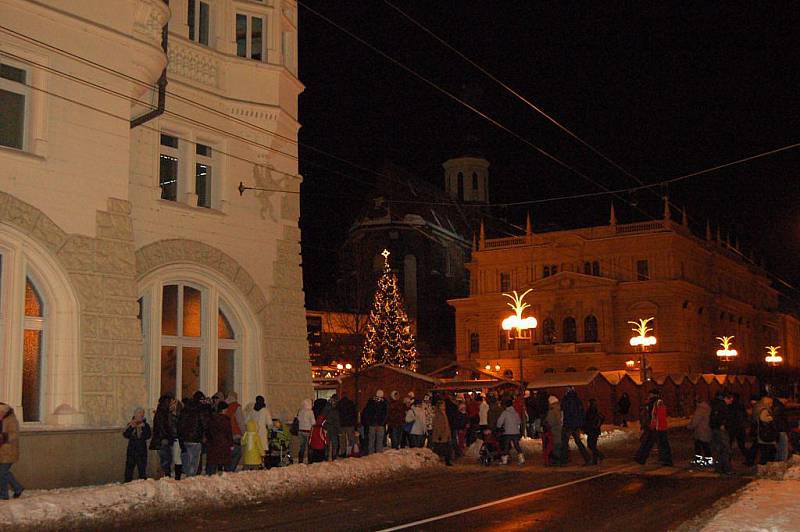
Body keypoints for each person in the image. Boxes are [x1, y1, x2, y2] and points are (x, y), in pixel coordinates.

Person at [634, 390, 673, 466]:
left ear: (653, 395)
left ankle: (666, 460)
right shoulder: (651, 403)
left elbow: (657, 416)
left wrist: (653, 425)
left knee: (658, 443)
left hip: (657, 427)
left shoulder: (657, 402)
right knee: (651, 442)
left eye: (650, 394)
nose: (649, 395)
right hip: (655, 426)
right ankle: (641, 457)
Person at [150, 394, 182, 479]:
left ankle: (166, 477)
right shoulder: (163, 413)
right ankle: (165, 477)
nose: (172, 404)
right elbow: (164, 427)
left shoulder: (162, 412)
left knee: (167, 460)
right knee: (166, 460)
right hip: (163, 440)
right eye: (171, 402)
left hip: (163, 439)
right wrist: (167, 437)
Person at [178, 392, 207, 477]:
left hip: (185, 439)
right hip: (196, 439)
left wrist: (181, 438)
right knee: (194, 462)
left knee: (186, 461)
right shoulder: (200, 410)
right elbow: (204, 424)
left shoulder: (185, 410)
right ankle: (191, 479)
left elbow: (180, 425)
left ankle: (187, 477)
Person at [560, 388, 591, 465]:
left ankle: (564, 460)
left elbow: (563, 411)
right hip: (576, 425)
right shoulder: (577, 401)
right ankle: (587, 458)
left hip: (568, 424)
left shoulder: (566, 401)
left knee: (564, 442)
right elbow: (581, 413)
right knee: (578, 441)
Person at [0, 403, 23, 500]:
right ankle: (18, 488)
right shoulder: (1, 420)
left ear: (4, 412)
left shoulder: (11, 420)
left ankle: (4, 494)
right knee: (4, 472)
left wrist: (2, 437)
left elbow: (14, 435)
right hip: (2, 451)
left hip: (9, 451)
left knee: (2, 472)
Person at [123, 406, 151, 482]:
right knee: (129, 469)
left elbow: (148, 435)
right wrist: (132, 427)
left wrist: (143, 428)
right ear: (135, 415)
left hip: (141, 451)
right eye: (139, 414)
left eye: (142, 414)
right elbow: (125, 435)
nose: (140, 416)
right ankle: (127, 483)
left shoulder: (146, 425)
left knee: (142, 469)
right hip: (132, 450)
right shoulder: (130, 424)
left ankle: (143, 484)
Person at [205, 402, 233, 475]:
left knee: (213, 463)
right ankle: (227, 477)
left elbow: (208, 431)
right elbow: (228, 433)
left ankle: (210, 477)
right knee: (226, 463)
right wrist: (231, 444)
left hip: (213, 443)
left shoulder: (212, 419)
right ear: (224, 409)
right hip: (224, 443)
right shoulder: (226, 420)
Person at [709, 392, 734, 475]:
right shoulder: (722, 406)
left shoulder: (716, 405)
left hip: (716, 430)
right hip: (720, 431)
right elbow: (722, 417)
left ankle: (719, 468)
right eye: (730, 400)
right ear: (726, 398)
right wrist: (722, 424)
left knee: (719, 450)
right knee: (725, 449)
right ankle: (727, 469)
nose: (731, 402)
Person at [497, 398, 525, 465]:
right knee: (516, 445)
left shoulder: (505, 413)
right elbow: (519, 421)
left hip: (507, 432)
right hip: (515, 432)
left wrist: (499, 427)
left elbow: (499, 422)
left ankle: (505, 460)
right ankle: (521, 458)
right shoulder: (515, 413)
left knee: (506, 446)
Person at [687, 399, 712, 468]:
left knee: (699, 446)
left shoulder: (700, 409)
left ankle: (699, 461)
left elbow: (695, 420)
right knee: (706, 446)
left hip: (700, 431)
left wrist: (689, 426)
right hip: (706, 429)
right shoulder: (707, 408)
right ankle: (708, 461)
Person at [224, 393, 246, 472]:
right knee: (237, 453)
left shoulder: (225, 407)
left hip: (226, 435)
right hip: (235, 434)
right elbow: (240, 422)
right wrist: (244, 433)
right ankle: (230, 472)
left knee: (228, 454)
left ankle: (227, 470)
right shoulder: (236, 407)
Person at [753, 396, 777, 464]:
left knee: (764, 450)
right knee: (768, 451)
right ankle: (765, 465)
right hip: (765, 433)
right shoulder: (764, 410)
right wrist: (771, 418)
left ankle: (763, 465)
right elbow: (763, 418)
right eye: (771, 403)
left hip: (761, 432)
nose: (772, 404)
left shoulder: (758, 408)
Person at [363, 390, 388, 454]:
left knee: (372, 440)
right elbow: (385, 414)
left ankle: (371, 453)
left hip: (373, 424)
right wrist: (382, 422)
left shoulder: (371, 402)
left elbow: (366, 413)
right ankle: (377, 453)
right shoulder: (384, 403)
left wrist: (369, 421)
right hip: (378, 424)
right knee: (378, 440)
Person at [250, 395, 272, 466]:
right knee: (262, 449)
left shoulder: (253, 410)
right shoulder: (265, 411)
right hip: (262, 432)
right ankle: (262, 464)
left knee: (256, 449)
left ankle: (256, 463)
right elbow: (270, 423)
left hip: (253, 433)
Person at [431, 400, 453, 466]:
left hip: (445, 435)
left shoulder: (444, 413)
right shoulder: (438, 414)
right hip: (441, 435)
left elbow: (446, 425)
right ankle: (440, 460)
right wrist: (439, 434)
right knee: (440, 449)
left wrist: (448, 434)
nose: (444, 406)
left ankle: (447, 460)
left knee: (446, 448)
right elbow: (438, 425)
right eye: (443, 405)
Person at [584, 399, 604, 465]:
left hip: (592, 430)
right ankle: (595, 460)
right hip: (595, 430)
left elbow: (588, 420)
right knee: (593, 445)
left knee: (591, 445)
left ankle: (600, 455)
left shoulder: (591, 411)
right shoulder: (595, 411)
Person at [545, 395, 563, 466]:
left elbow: (550, 422)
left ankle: (557, 461)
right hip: (562, 429)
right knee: (560, 444)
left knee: (556, 446)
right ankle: (562, 459)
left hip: (555, 430)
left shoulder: (552, 411)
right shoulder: (560, 409)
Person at [297, 399, 316, 464]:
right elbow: (313, 422)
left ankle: (300, 461)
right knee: (310, 447)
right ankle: (310, 462)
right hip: (308, 431)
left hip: (300, 431)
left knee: (302, 447)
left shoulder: (300, 411)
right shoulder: (310, 412)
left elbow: (298, 419)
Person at [324, 394, 341, 460]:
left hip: (326, 428)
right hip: (333, 428)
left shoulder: (325, 409)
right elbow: (337, 421)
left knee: (327, 443)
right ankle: (334, 456)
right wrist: (339, 431)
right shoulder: (335, 410)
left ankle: (326, 455)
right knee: (334, 444)